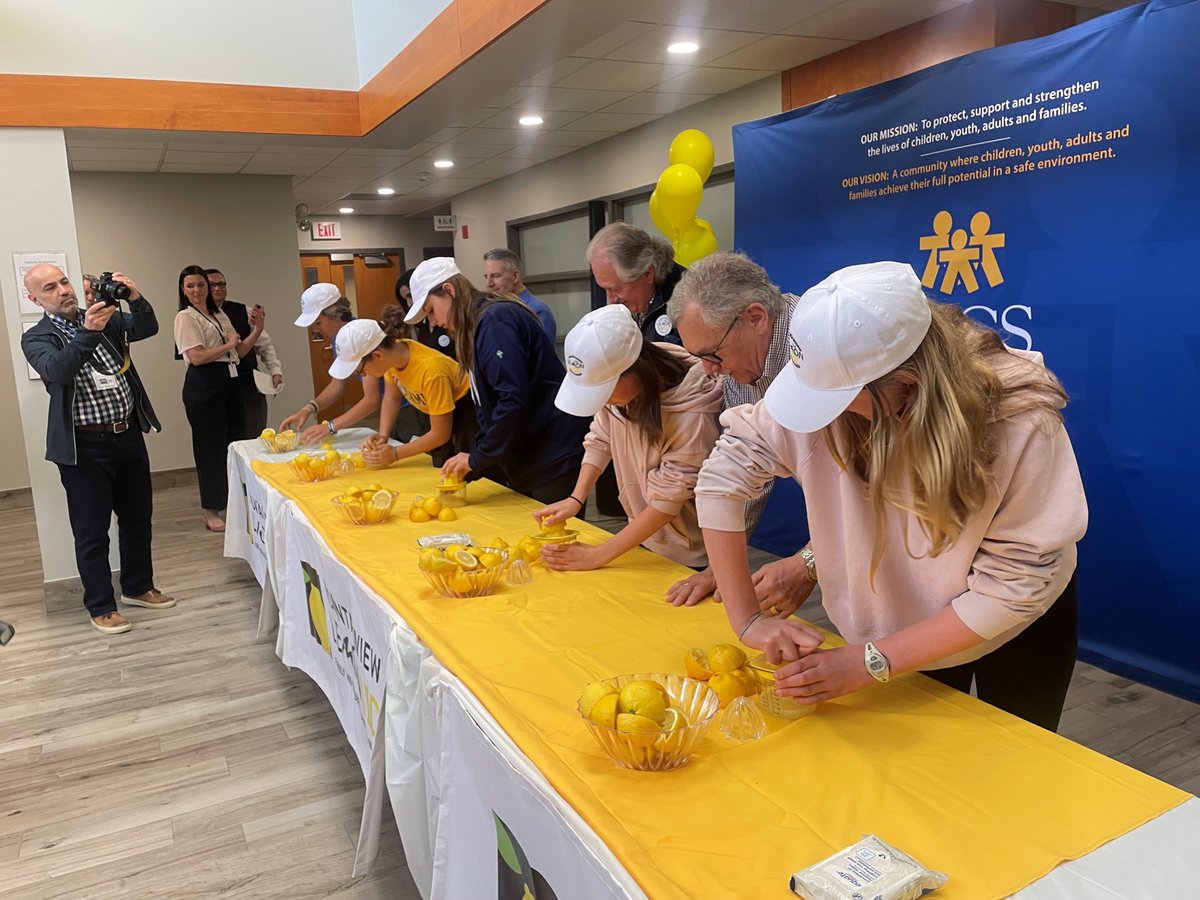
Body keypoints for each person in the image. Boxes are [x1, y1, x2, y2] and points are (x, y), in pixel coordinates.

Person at [694, 261, 1087, 730]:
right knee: (921, 764)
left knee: (1017, 762)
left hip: (1016, 626)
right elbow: (722, 478)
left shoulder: (1019, 420)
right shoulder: (825, 378)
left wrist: (869, 662)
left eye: (835, 400)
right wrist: (747, 621)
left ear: (907, 386)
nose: (818, 414)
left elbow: (1013, 585)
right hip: (901, 622)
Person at [21, 265, 175, 634]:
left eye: (63, 282)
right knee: (91, 530)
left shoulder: (105, 318)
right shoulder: (37, 337)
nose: (62, 291)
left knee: (138, 517)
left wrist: (135, 297)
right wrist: (88, 331)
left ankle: (138, 586)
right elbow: (59, 371)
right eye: (49, 288)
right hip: (85, 446)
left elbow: (147, 327)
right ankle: (101, 605)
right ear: (34, 299)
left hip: (128, 434)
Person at [533, 305, 722, 580]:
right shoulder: (625, 396)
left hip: (687, 554)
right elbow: (600, 438)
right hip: (642, 538)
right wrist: (576, 498)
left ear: (635, 369)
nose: (605, 401)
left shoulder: (693, 416)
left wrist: (598, 555)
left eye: (606, 390)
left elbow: (666, 503)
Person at [663, 251, 807, 607]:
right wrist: (722, 563)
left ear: (755, 317)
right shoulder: (739, 362)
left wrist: (809, 563)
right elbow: (741, 471)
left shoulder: (822, 350)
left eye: (713, 354)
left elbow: (869, 486)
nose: (710, 371)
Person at [403, 257, 588, 503]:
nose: (434, 322)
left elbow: (512, 399)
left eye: (431, 311)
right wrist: (476, 456)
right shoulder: (477, 324)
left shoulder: (494, 321)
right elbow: (487, 405)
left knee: (552, 537)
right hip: (530, 451)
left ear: (449, 291)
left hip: (551, 451)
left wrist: (477, 458)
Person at [326, 308, 474, 468]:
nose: (363, 375)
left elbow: (440, 434)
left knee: (464, 473)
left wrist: (395, 454)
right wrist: (383, 435)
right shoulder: (393, 358)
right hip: (435, 412)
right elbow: (392, 398)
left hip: (468, 415)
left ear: (377, 356)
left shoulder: (431, 371)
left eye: (361, 371)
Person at [174, 264, 261, 532]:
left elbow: (240, 351)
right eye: (191, 286)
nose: (198, 290)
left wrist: (256, 329)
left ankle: (236, 502)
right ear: (183, 290)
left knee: (236, 443)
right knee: (210, 449)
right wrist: (227, 345)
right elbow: (197, 356)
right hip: (204, 386)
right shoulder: (186, 317)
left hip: (230, 381)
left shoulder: (219, 313)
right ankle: (210, 510)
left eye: (202, 285)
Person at [280, 283, 383, 443]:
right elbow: (337, 385)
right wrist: (309, 408)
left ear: (335, 314)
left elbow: (371, 400)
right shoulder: (339, 338)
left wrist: (330, 427)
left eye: (318, 322)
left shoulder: (358, 337)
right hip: (392, 406)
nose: (316, 329)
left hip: (406, 406)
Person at [205, 268, 282, 437]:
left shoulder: (243, 311)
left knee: (253, 431)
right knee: (223, 436)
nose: (217, 289)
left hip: (246, 383)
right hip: (215, 384)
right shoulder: (194, 316)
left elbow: (264, 344)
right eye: (212, 285)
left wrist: (275, 370)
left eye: (221, 284)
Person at [586, 222, 684, 345]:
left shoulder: (688, 301)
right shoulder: (635, 302)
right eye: (605, 289)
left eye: (617, 289)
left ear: (647, 273)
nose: (611, 300)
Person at [482, 247, 557, 343]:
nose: (489, 283)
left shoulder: (536, 311)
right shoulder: (490, 311)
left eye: (496, 276)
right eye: (486, 277)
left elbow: (541, 355)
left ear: (515, 276)